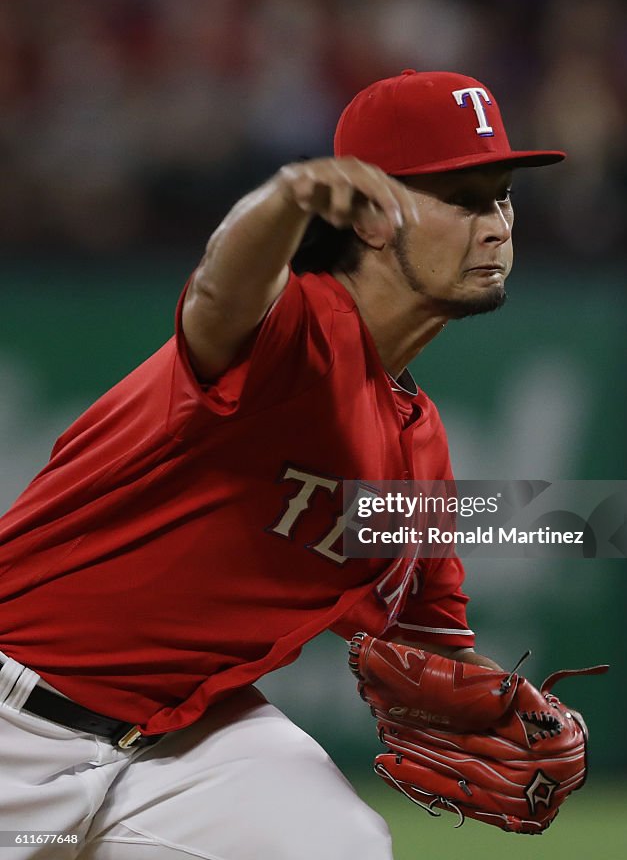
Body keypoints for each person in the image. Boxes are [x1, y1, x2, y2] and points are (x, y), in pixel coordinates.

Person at [0, 68, 564, 859]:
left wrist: (503, 705)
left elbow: (426, 638)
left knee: (337, 843)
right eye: (464, 200)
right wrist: (286, 200)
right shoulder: (294, 330)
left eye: (502, 196)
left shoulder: (418, 441)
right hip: (17, 720)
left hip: (183, 745)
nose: (497, 225)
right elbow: (220, 293)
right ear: (371, 218)